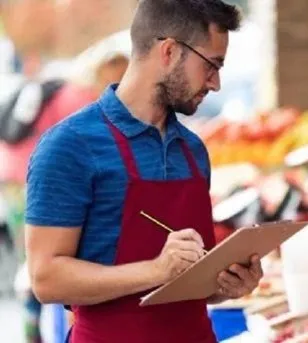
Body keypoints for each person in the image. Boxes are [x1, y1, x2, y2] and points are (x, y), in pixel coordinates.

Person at [24, 1, 263, 342]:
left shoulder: (193, 151)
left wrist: (228, 284)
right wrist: (156, 271)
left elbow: (192, 280)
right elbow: (45, 278)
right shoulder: (69, 146)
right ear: (169, 51)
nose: (216, 84)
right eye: (211, 65)